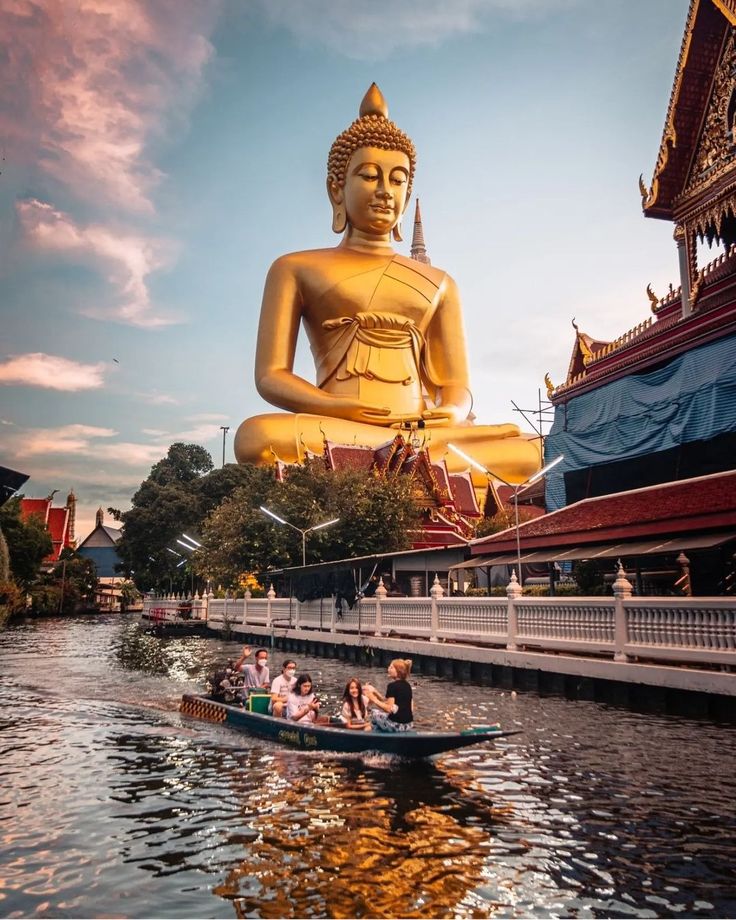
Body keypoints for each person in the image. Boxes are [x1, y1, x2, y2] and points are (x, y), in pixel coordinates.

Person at [233, 83, 540, 489]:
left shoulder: (440, 283)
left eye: (398, 181)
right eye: (369, 176)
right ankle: (400, 462)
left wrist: (450, 412)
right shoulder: (295, 268)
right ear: (335, 188)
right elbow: (271, 376)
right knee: (256, 437)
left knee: (529, 451)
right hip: (340, 427)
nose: (384, 192)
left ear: (408, 192)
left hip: (422, 433)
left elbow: (456, 385)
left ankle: (401, 459)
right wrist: (340, 408)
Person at [364, 658, 414, 732]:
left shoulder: (392, 686)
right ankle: (376, 731)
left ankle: (368, 733)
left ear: (398, 671)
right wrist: (375, 691)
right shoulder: (407, 685)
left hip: (396, 726)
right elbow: (387, 701)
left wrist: (373, 699)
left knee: (372, 713)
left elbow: (389, 709)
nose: (388, 668)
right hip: (408, 725)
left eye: (391, 667)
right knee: (379, 719)